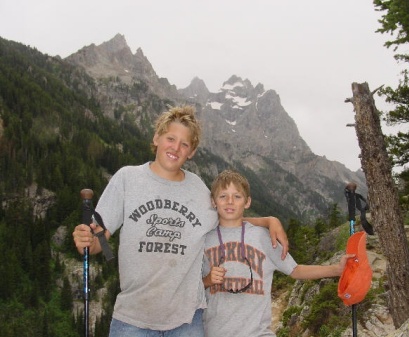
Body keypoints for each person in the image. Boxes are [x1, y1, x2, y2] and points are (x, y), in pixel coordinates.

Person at [72, 105, 289, 337]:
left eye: (184, 144)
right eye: (170, 138)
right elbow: (100, 240)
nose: (176, 147)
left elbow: (228, 219)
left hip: (187, 321)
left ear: (191, 152)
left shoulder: (198, 190)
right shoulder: (127, 179)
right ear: (156, 138)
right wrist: (87, 241)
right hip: (133, 318)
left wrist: (268, 220)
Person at [202, 169, 355, 337]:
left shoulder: (264, 237)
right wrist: (207, 281)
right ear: (213, 201)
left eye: (237, 196)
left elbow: (296, 270)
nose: (230, 201)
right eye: (223, 196)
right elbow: (188, 286)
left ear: (247, 202)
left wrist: (336, 270)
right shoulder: (203, 240)